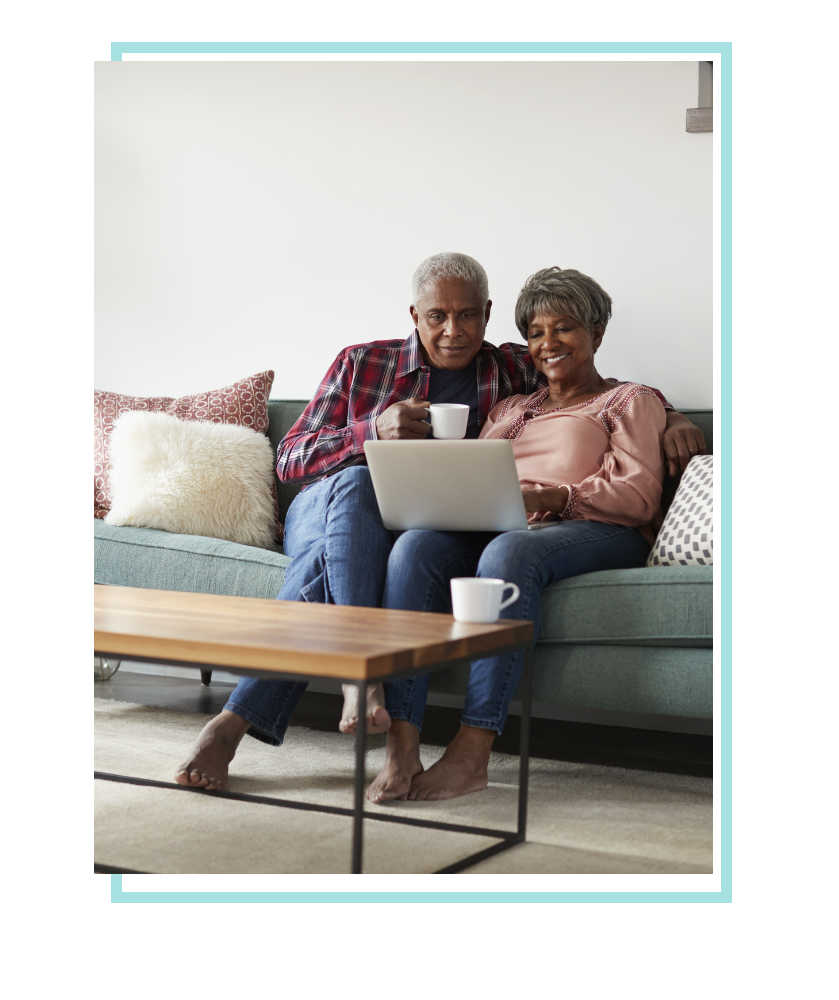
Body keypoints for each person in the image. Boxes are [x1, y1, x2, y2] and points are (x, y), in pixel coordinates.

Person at [175, 255, 705, 792]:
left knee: (406, 548)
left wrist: (673, 416)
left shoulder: (509, 372)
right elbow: (289, 460)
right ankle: (366, 675)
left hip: (468, 524)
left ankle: (260, 723)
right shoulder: (367, 363)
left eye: (468, 316)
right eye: (437, 317)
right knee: (361, 489)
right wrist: (370, 433)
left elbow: (609, 391)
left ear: (487, 315)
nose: (453, 331)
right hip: (329, 502)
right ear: (415, 315)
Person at [366, 266, 669, 803]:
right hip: (509, 523)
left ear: (596, 334)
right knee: (415, 547)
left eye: (565, 328)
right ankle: (402, 740)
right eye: (535, 333)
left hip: (597, 528)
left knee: (510, 549)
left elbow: (640, 495)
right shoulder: (510, 407)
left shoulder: (628, 401)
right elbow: (476, 474)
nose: (548, 344)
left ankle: (472, 752)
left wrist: (553, 497)